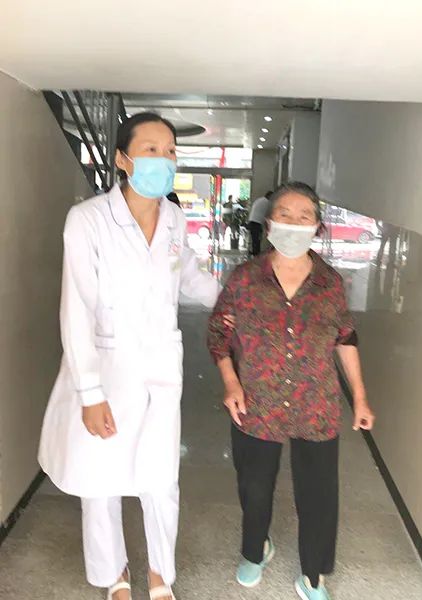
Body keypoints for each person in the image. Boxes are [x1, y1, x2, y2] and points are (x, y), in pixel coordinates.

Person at [39, 112, 221, 600]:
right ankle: (113, 575)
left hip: (161, 367)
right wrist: (89, 393)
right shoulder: (88, 219)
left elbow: (189, 277)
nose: (164, 159)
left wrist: (237, 301)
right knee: (102, 477)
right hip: (105, 366)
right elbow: (76, 308)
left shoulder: (174, 218)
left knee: (161, 477)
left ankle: (161, 574)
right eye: (151, 149)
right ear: (122, 159)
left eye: (170, 151)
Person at [207, 181, 375, 600]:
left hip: (315, 404)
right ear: (269, 223)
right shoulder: (245, 279)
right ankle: (255, 550)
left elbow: (346, 338)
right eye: (285, 214)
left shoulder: (329, 283)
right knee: (254, 487)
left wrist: (359, 397)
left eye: (305, 217)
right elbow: (218, 333)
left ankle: (313, 574)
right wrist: (230, 381)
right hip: (256, 401)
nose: (294, 223)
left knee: (318, 494)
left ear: (318, 227)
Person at [247, 190, 273, 256]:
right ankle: (256, 254)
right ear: (270, 196)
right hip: (256, 222)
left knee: (255, 239)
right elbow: (269, 214)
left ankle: (254, 252)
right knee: (257, 239)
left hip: (252, 221)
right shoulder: (267, 202)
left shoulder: (260, 200)